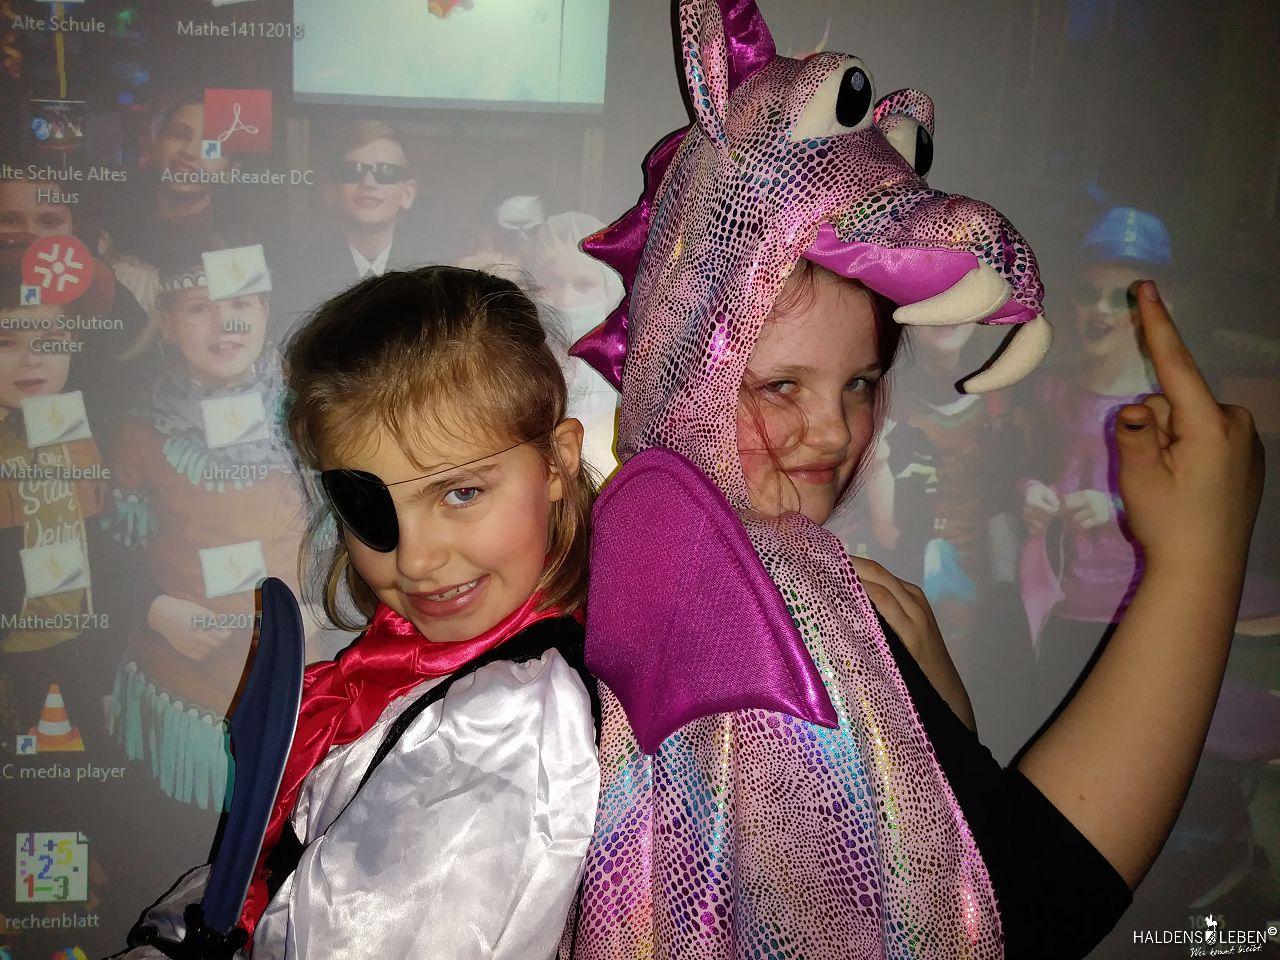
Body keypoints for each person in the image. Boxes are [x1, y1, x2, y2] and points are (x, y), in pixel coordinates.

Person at [563, 2, 1263, 957]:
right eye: (780, 386)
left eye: (859, 382)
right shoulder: (764, 616)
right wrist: (1200, 557)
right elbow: (1026, 910)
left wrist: (934, 716)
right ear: (685, 369)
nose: (834, 432)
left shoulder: (657, 567)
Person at [116, 266, 601, 959]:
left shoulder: (503, 721)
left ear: (556, 461)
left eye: (461, 493)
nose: (416, 559)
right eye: (370, 510)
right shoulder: (414, 667)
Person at [1017, 206, 1171, 716]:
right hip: (1056, 592)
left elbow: (1181, 506)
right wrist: (1028, 491)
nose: (1100, 310)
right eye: (1088, 294)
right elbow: (1025, 464)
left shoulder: (1161, 405)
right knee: (1049, 706)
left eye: (1122, 298)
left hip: (1127, 601)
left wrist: (1114, 507)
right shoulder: (1052, 390)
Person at [278, 121, 427, 325]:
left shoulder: (429, 270)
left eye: (385, 172)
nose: (368, 183)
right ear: (330, 191)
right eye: (353, 171)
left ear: (408, 193)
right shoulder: (298, 272)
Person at [522, 210, 625, 476]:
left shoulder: (624, 374)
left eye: (584, 284)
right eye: (554, 282)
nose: (566, 299)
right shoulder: (515, 364)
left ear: (609, 293)